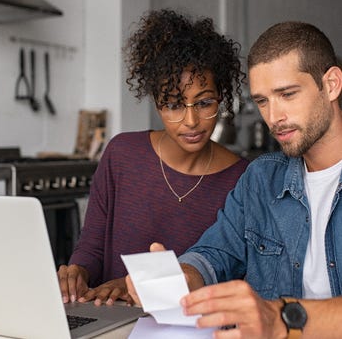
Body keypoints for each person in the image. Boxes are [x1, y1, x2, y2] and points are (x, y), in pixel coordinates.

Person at [127, 21, 342, 338]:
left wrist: (280, 319)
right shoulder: (261, 178)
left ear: (332, 84)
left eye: (287, 94)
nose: (273, 117)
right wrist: (179, 279)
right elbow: (215, 255)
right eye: (263, 100)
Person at [58, 9, 249, 306]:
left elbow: (229, 274)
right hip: (109, 320)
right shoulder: (122, 154)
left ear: (221, 98)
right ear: (157, 104)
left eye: (204, 103)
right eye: (173, 105)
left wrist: (134, 285)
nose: (190, 121)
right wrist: (77, 272)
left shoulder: (243, 179)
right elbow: (92, 247)